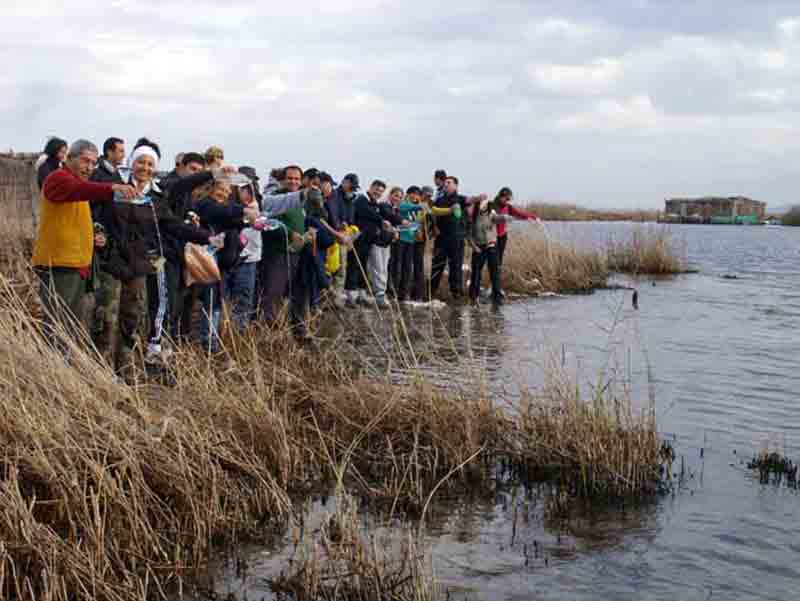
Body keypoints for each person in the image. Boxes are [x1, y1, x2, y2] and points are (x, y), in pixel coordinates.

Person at [109, 138, 218, 375]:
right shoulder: (116, 189)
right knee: (120, 314)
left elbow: (173, 225)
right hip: (118, 261)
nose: (145, 168)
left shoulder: (157, 197)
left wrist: (205, 237)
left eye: (150, 164)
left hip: (150, 260)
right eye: (141, 162)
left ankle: (152, 359)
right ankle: (118, 363)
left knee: (157, 307)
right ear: (132, 162)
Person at [31, 139, 136, 343]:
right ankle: (51, 370)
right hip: (58, 266)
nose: (89, 167)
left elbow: (75, 211)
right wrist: (113, 188)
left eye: (93, 163)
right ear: (69, 157)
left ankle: (63, 369)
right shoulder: (58, 179)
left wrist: (94, 232)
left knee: (69, 328)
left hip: (76, 266)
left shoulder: (77, 183)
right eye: (85, 161)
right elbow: (80, 190)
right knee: (56, 327)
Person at [88, 136, 126, 364]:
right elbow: (92, 209)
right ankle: (99, 361)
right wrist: (97, 230)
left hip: (116, 246)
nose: (123, 154)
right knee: (104, 312)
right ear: (109, 152)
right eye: (120, 150)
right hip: (103, 249)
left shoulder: (117, 175)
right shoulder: (99, 176)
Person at [346, 180, 406, 308]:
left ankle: (361, 294)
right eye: (376, 190)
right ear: (371, 187)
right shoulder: (362, 199)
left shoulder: (375, 204)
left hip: (369, 240)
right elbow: (367, 212)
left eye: (380, 191)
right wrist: (382, 221)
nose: (378, 193)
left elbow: (384, 217)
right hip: (358, 238)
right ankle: (350, 295)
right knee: (354, 265)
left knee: (362, 267)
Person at [430, 176, 486, 300]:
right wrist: (434, 228)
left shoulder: (459, 198)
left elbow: (470, 200)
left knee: (456, 266)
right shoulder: (439, 200)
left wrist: (478, 197)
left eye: (449, 183)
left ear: (456, 185)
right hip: (442, 238)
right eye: (445, 183)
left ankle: (456, 293)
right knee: (437, 264)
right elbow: (433, 214)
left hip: (457, 238)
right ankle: (430, 292)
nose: (446, 185)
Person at [467, 198, 514, 305]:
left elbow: (498, 218)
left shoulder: (491, 214)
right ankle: (473, 297)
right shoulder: (472, 216)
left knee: (494, 272)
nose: (483, 205)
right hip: (478, 248)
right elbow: (468, 235)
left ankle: (497, 296)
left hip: (491, 246)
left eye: (485, 203)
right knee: (476, 272)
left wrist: (506, 217)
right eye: (481, 203)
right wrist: (474, 247)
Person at [493, 187, 539, 295]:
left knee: (499, 261)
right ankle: (492, 286)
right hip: (492, 237)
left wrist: (533, 217)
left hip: (502, 236)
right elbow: (491, 218)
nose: (507, 201)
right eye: (506, 198)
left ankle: (496, 286)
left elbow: (520, 214)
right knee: (492, 262)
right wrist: (503, 217)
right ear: (501, 196)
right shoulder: (492, 206)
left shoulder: (508, 207)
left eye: (509, 199)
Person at [395, 186, 427, 301]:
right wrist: (420, 206)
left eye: (417, 194)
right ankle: (394, 292)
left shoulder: (416, 210)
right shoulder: (403, 204)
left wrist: (418, 228)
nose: (415, 196)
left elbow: (416, 223)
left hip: (411, 241)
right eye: (412, 194)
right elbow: (403, 207)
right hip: (401, 239)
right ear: (408, 194)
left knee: (407, 268)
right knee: (397, 267)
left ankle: (403, 294)